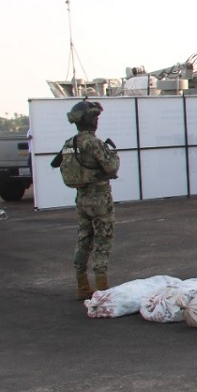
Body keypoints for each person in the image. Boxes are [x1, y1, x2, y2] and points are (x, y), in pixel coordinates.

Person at [57, 101, 121, 299]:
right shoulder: (94, 143)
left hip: (82, 198)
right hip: (99, 199)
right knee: (103, 240)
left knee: (84, 239)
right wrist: (114, 155)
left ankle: (82, 286)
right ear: (91, 120)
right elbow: (111, 167)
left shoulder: (70, 143)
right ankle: (103, 288)